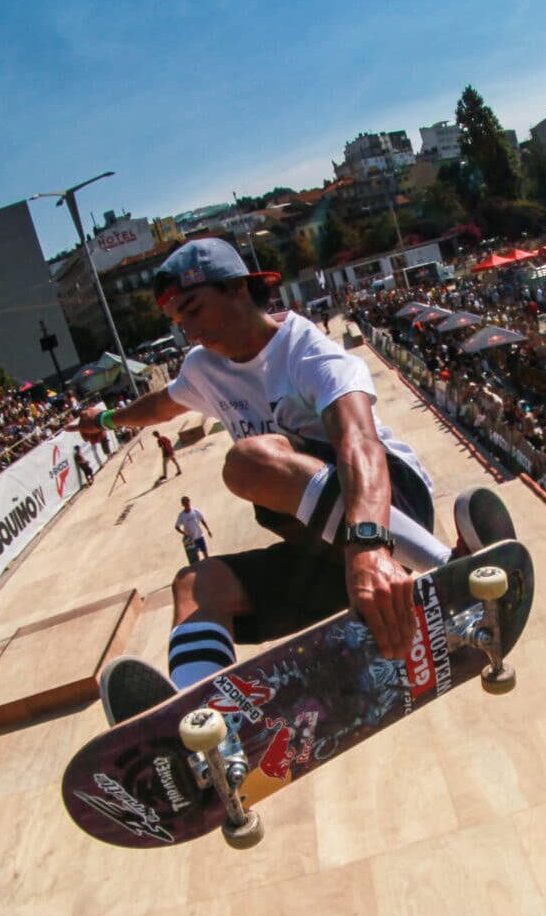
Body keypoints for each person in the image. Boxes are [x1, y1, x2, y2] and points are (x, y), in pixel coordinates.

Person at [79, 240, 514, 721]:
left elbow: (358, 442)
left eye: (195, 310)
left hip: (390, 507)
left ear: (238, 289)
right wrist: (109, 420)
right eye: (180, 323)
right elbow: (162, 406)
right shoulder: (202, 369)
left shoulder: (307, 352)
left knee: (247, 461)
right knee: (197, 584)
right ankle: (201, 728)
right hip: (327, 549)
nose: (191, 332)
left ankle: (449, 571)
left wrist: (369, 545)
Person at [174, 496, 214, 566]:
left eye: (188, 502)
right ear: (182, 505)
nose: (187, 504)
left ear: (189, 502)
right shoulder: (182, 515)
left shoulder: (195, 511)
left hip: (199, 536)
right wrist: (184, 534)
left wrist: (208, 530)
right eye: (185, 503)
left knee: (205, 554)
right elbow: (176, 527)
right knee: (196, 558)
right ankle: (199, 569)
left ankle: (208, 567)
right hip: (191, 540)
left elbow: (202, 520)